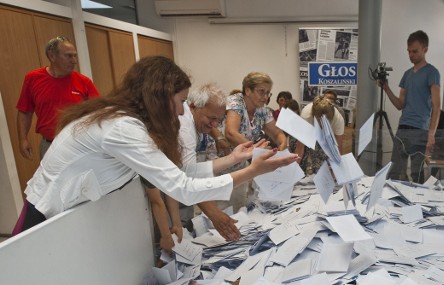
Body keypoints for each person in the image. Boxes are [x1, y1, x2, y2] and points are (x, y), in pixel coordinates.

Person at [13, 56, 298, 234]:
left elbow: (179, 173)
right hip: (44, 219)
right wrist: (251, 171)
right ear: (158, 97)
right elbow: (182, 187)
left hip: (68, 217)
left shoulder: (128, 122)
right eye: (180, 102)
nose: (182, 112)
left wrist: (231, 159)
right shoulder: (123, 129)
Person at [16, 36, 99, 160]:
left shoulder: (84, 82)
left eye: (75, 56)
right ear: (52, 56)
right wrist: (23, 140)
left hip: (80, 145)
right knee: (53, 180)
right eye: (69, 56)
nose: (74, 61)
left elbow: (99, 112)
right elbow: (25, 112)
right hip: (50, 145)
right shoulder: (33, 79)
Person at [178, 83, 242, 241]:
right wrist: (214, 214)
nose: (214, 125)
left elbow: (196, 173)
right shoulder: (184, 129)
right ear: (193, 106)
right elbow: (190, 177)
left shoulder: (196, 116)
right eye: (212, 118)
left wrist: (234, 157)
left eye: (218, 120)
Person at [381, 30, 441, 184]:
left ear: (425, 50)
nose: (411, 55)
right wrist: (386, 88)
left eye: (415, 51)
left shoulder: (432, 73)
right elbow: (400, 104)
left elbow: (437, 105)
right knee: (394, 172)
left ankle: (416, 206)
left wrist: (431, 135)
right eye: (409, 51)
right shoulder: (407, 74)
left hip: (420, 130)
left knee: (416, 174)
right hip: (403, 128)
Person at [225, 72, 287, 150]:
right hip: (223, 156)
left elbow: (277, 134)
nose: (265, 97)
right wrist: (258, 150)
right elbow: (230, 133)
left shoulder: (263, 109)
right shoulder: (235, 101)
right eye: (261, 91)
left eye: (268, 93)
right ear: (247, 91)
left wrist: (283, 144)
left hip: (243, 158)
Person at [296, 96, 344, 175]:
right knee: (304, 165)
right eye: (320, 121)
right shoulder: (306, 115)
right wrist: (294, 169)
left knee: (326, 167)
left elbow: (338, 149)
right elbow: (300, 147)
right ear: (314, 117)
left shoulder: (338, 119)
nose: (323, 125)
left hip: (329, 138)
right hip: (311, 133)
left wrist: (336, 171)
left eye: (326, 122)